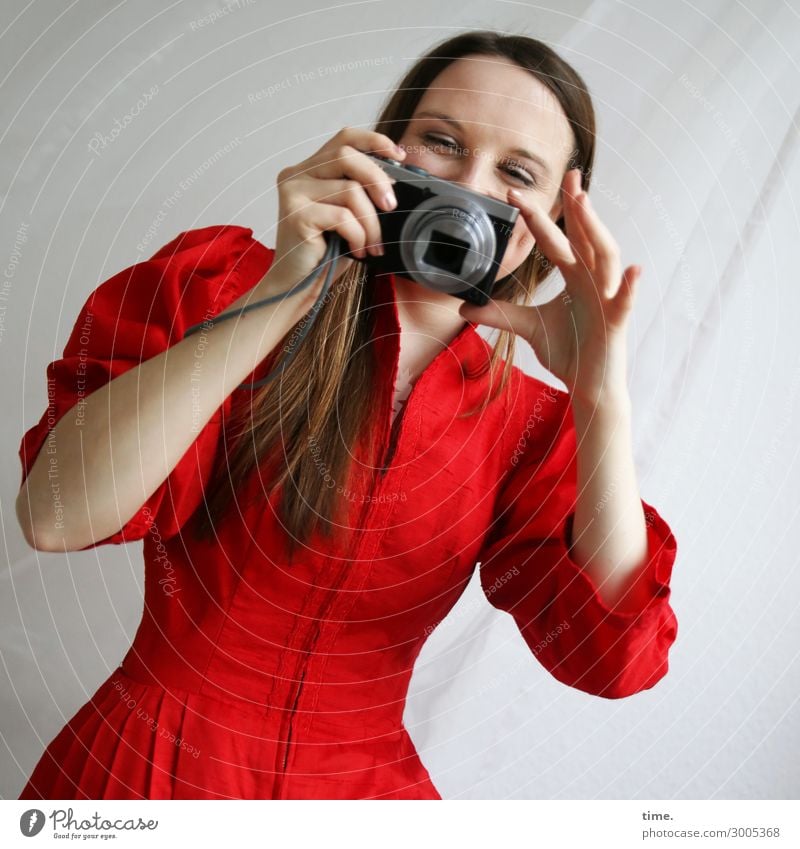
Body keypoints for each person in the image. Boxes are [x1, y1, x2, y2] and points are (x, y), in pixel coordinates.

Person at [15, 30, 678, 800]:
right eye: (442, 141)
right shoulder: (222, 288)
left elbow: (615, 662)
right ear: (388, 150)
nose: (468, 187)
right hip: (145, 777)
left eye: (515, 172)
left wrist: (601, 399)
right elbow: (56, 515)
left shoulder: (531, 429)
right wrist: (283, 291)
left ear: (556, 211)